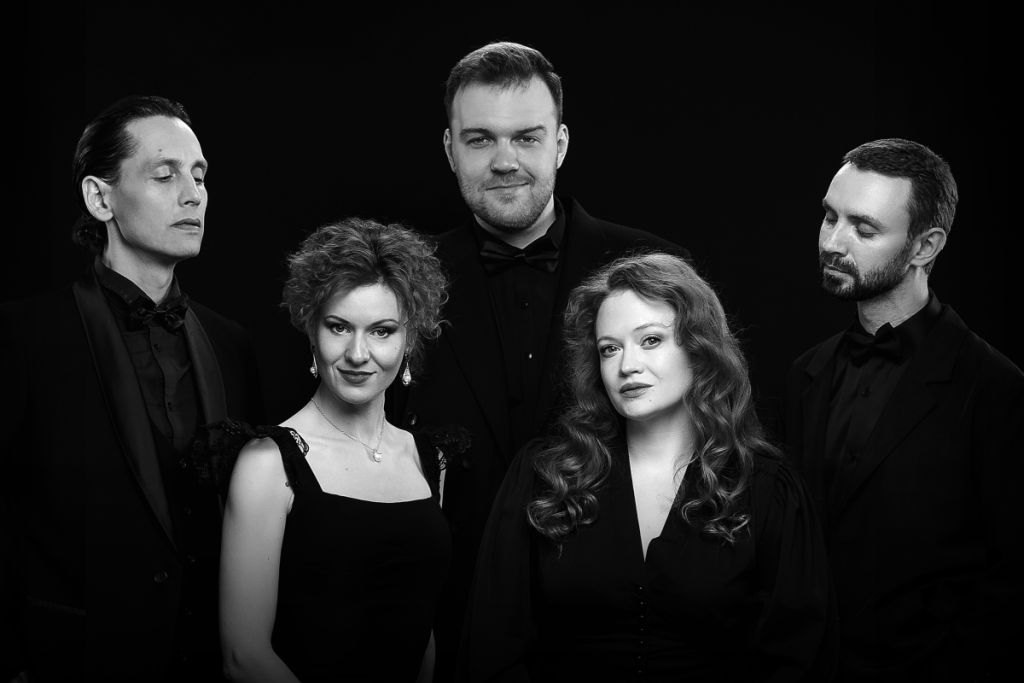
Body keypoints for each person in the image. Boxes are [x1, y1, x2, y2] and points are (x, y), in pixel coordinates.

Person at [389, 41, 684, 675]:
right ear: (450, 149)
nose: (505, 161)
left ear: (561, 144)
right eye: (480, 140)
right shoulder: (399, 285)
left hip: (615, 629)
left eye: (527, 137)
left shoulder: (651, 270)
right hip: (448, 628)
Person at [462, 252, 836, 682]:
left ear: (699, 348)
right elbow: (493, 645)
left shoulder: (767, 488)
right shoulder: (544, 475)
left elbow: (799, 655)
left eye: (651, 340)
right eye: (609, 349)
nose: (627, 366)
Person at [0, 95, 264, 681]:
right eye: (165, 175)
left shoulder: (232, 345)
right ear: (100, 199)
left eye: (199, 176)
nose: (193, 195)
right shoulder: (23, 337)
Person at [784, 138, 1024, 680]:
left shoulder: (996, 388)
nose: (832, 242)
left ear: (925, 247)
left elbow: (1011, 578)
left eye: (864, 229)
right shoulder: (804, 374)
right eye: (829, 217)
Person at [219, 219, 451, 683]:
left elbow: (421, 631)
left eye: (382, 331)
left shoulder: (427, 458)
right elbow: (244, 657)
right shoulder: (269, 463)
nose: (358, 354)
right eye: (339, 327)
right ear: (312, 330)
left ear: (409, 339)